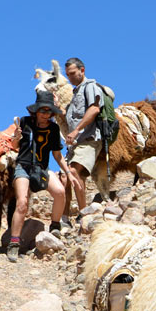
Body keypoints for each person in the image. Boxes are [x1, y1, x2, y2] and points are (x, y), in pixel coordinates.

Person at [8, 90, 72, 263]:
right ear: (35, 111)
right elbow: (14, 145)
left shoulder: (53, 128)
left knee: (59, 192)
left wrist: (68, 173)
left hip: (42, 169)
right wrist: (16, 137)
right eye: (43, 111)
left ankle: (55, 226)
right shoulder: (25, 122)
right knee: (22, 203)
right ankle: (14, 243)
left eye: (49, 111)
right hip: (24, 167)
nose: (46, 114)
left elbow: (57, 155)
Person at [62, 57, 107, 213]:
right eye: (68, 74)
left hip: (88, 139)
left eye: (73, 73)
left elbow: (94, 109)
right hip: (75, 143)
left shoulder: (91, 86)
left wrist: (75, 131)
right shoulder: (75, 93)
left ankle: (83, 214)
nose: (70, 77)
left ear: (82, 70)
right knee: (64, 177)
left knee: (74, 171)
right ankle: (64, 218)